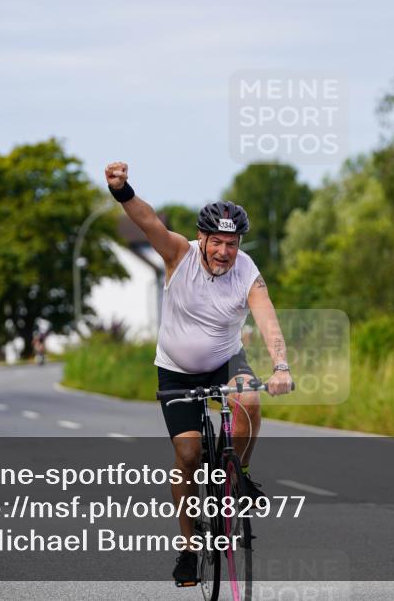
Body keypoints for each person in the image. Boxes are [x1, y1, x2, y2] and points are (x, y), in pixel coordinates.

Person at [104, 161, 294, 587]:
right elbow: (149, 221)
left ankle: (238, 475)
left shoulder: (247, 270)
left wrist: (280, 365)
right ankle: (190, 548)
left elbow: (267, 320)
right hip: (175, 370)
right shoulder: (179, 255)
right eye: (217, 242)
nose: (225, 251)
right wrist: (122, 190)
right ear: (203, 238)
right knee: (189, 457)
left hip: (226, 362)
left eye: (233, 243)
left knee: (249, 398)